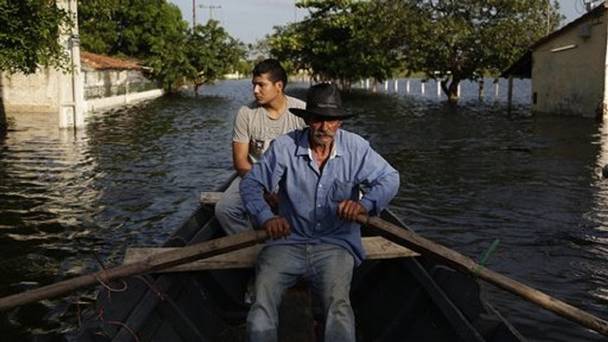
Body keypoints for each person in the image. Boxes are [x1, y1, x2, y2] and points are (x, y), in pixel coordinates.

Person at [240, 83, 400, 341]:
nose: (324, 128)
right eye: (318, 120)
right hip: (288, 240)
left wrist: (364, 205)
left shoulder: (356, 148)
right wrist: (266, 218)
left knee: (338, 305)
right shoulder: (285, 147)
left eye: (331, 121)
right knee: (262, 295)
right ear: (308, 120)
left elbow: (390, 179)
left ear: (340, 123)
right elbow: (250, 184)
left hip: (335, 243)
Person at [215, 58, 305, 235]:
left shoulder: (301, 112)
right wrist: (263, 188)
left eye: (261, 85)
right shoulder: (246, 113)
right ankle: (251, 247)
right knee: (225, 209)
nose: (255, 90)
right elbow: (241, 162)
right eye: (253, 85)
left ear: (278, 86)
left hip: (291, 177)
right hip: (253, 176)